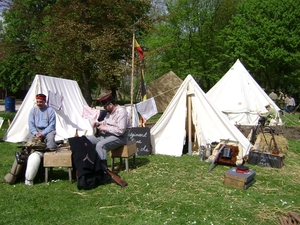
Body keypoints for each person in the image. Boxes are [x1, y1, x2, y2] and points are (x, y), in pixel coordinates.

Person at [86, 94, 131, 167]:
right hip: (108, 135)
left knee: (100, 145)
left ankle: (103, 170)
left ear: (110, 104)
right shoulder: (109, 112)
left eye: (105, 106)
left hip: (120, 137)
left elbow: (121, 131)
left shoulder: (121, 112)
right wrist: (98, 124)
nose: (104, 108)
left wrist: (106, 128)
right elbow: (105, 121)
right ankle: (89, 165)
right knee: (86, 140)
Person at [25, 94, 57, 186]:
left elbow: (52, 125)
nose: (39, 103)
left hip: (47, 130)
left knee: (50, 139)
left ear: (44, 102)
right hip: (36, 130)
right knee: (30, 140)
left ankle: (48, 159)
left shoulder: (50, 111)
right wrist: (36, 133)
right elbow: (30, 124)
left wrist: (42, 134)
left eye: (41, 102)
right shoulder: (33, 110)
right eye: (37, 102)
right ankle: (30, 156)